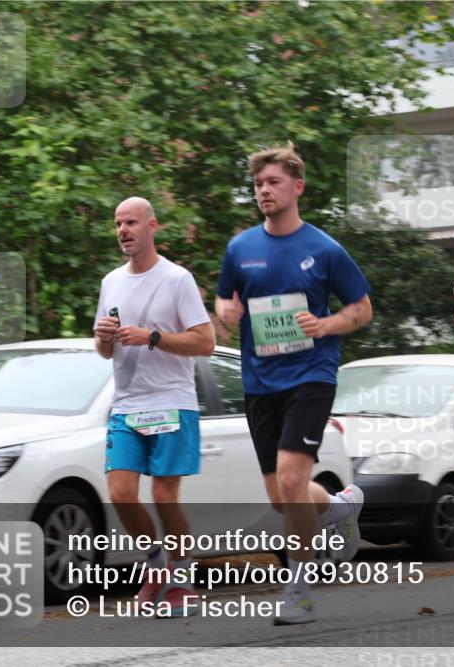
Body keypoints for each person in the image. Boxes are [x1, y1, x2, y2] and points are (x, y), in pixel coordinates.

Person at [215, 142, 373, 625]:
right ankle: (340, 505)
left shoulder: (324, 249)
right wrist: (225, 313)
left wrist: (324, 326)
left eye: (273, 182)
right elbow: (223, 307)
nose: (264, 190)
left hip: (312, 376)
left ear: (296, 187)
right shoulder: (240, 249)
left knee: (290, 478)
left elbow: (362, 309)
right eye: (259, 184)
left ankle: (299, 589)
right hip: (261, 382)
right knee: (283, 495)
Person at [93, 196, 216, 617]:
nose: (123, 230)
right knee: (121, 494)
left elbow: (205, 342)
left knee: (165, 496)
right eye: (118, 223)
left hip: (171, 402)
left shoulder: (177, 279)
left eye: (131, 223)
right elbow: (103, 352)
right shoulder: (110, 281)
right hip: (127, 404)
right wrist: (104, 337)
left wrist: (153, 337)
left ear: (152, 227)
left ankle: (182, 580)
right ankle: (156, 564)